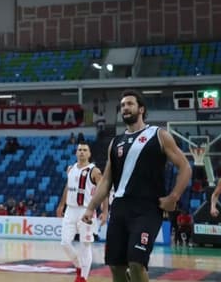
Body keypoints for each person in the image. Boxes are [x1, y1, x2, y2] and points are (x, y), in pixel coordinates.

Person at [81, 89, 191, 282]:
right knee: (116, 266)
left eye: (130, 104)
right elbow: (106, 181)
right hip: (120, 208)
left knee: (136, 263)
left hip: (147, 209)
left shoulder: (158, 135)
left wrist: (173, 197)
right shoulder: (115, 143)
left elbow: (185, 167)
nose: (125, 108)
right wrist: (91, 207)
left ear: (141, 109)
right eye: (122, 105)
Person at [56, 142, 108, 282]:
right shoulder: (70, 168)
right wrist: (61, 205)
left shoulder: (94, 171)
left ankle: (83, 277)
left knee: (85, 245)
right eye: (79, 150)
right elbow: (68, 187)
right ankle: (79, 265)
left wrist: (105, 210)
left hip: (87, 211)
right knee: (65, 243)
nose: (82, 152)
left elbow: (104, 190)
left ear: (89, 154)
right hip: (70, 210)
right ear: (76, 153)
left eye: (85, 150)